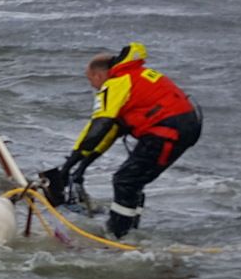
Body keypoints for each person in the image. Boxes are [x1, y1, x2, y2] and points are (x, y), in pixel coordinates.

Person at [42, 42, 201, 240]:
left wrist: (67, 169)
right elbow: (109, 133)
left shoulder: (116, 82)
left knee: (125, 181)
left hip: (168, 130)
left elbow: (98, 127)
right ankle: (130, 232)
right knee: (133, 181)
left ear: (99, 75)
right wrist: (80, 167)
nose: (92, 85)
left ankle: (117, 235)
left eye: (90, 79)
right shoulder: (135, 77)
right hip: (181, 126)